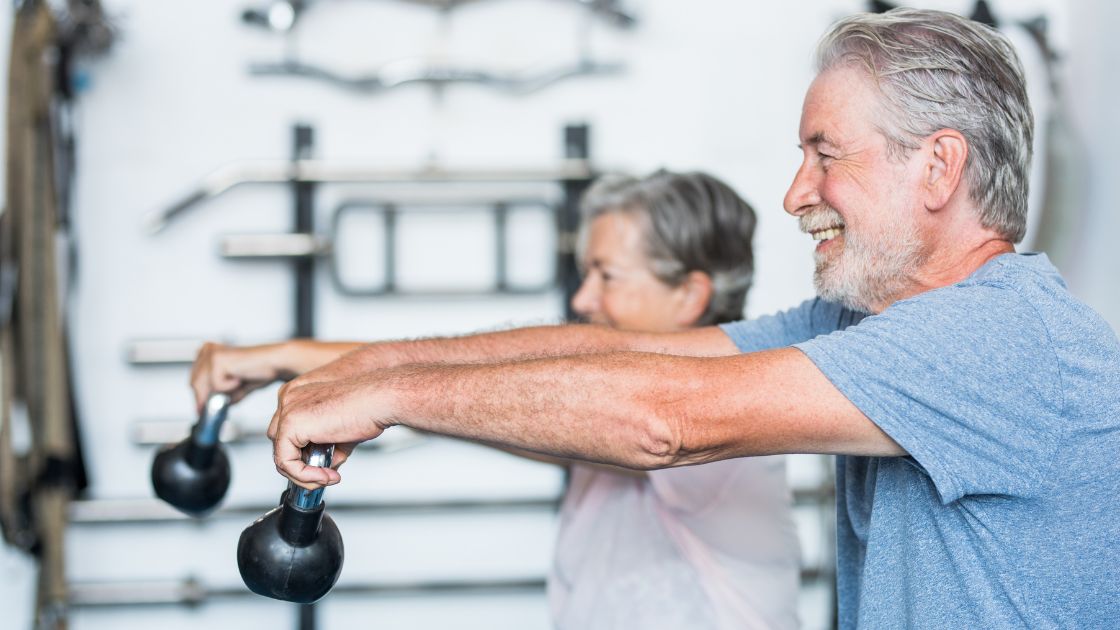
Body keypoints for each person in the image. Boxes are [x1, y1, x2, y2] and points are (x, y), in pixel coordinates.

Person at [196, 8, 1120, 628]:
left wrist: (389, 393)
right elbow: (608, 351)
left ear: (938, 167)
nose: (797, 192)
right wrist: (345, 373)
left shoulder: (999, 338)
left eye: (824, 153)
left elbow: (663, 418)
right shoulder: (865, 332)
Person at [193, 171, 801, 629]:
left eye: (606, 275)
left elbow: (504, 389)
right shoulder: (607, 423)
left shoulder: (716, 418)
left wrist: (299, 364)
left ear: (689, 296)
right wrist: (308, 371)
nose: (584, 299)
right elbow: (496, 397)